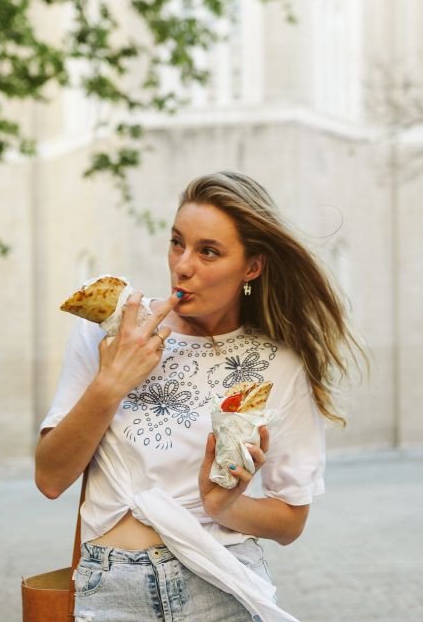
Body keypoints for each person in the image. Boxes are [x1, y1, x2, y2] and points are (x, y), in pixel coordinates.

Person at [35, 172, 363, 622]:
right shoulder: (111, 329)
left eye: (208, 251)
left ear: (252, 267)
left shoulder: (278, 365)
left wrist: (224, 504)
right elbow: (50, 478)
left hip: (220, 586)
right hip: (112, 590)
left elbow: (290, 522)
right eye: (177, 243)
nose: (183, 265)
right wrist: (111, 383)